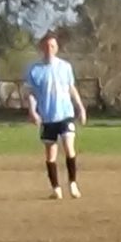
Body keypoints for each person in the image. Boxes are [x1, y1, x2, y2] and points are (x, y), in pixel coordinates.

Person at [25, 32, 87, 199]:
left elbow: (71, 88)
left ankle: (73, 183)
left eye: (52, 46)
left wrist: (80, 107)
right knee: (50, 154)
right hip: (47, 117)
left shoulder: (65, 67)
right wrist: (33, 111)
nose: (49, 49)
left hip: (66, 114)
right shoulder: (35, 70)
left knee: (69, 147)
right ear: (41, 47)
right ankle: (56, 188)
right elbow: (31, 93)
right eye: (46, 46)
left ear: (57, 48)